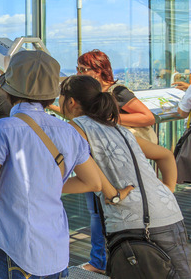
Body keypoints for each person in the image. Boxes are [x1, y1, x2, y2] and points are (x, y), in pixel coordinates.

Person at [0, 50, 102, 279]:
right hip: (57, 249)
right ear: (51, 96)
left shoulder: (0, 129)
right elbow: (93, 182)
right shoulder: (69, 132)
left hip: (13, 246)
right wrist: (47, 184)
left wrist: (20, 186)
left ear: (8, 89)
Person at [60, 75, 191, 277]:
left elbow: (91, 180)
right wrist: (167, 191)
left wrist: (47, 186)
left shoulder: (75, 128)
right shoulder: (118, 129)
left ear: (70, 101)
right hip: (171, 214)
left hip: (132, 223)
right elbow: (165, 156)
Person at [64, 49, 156, 274]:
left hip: (116, 158)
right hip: (105, 157)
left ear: (99, 70)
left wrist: (110, 118)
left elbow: (148, 116)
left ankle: (101, 261)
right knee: (102, 209)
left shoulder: (118, 92)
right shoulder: (94, 95)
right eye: (77, 69)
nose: (79, 73)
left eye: (83, 69)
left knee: (102, 209)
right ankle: (110, 259)